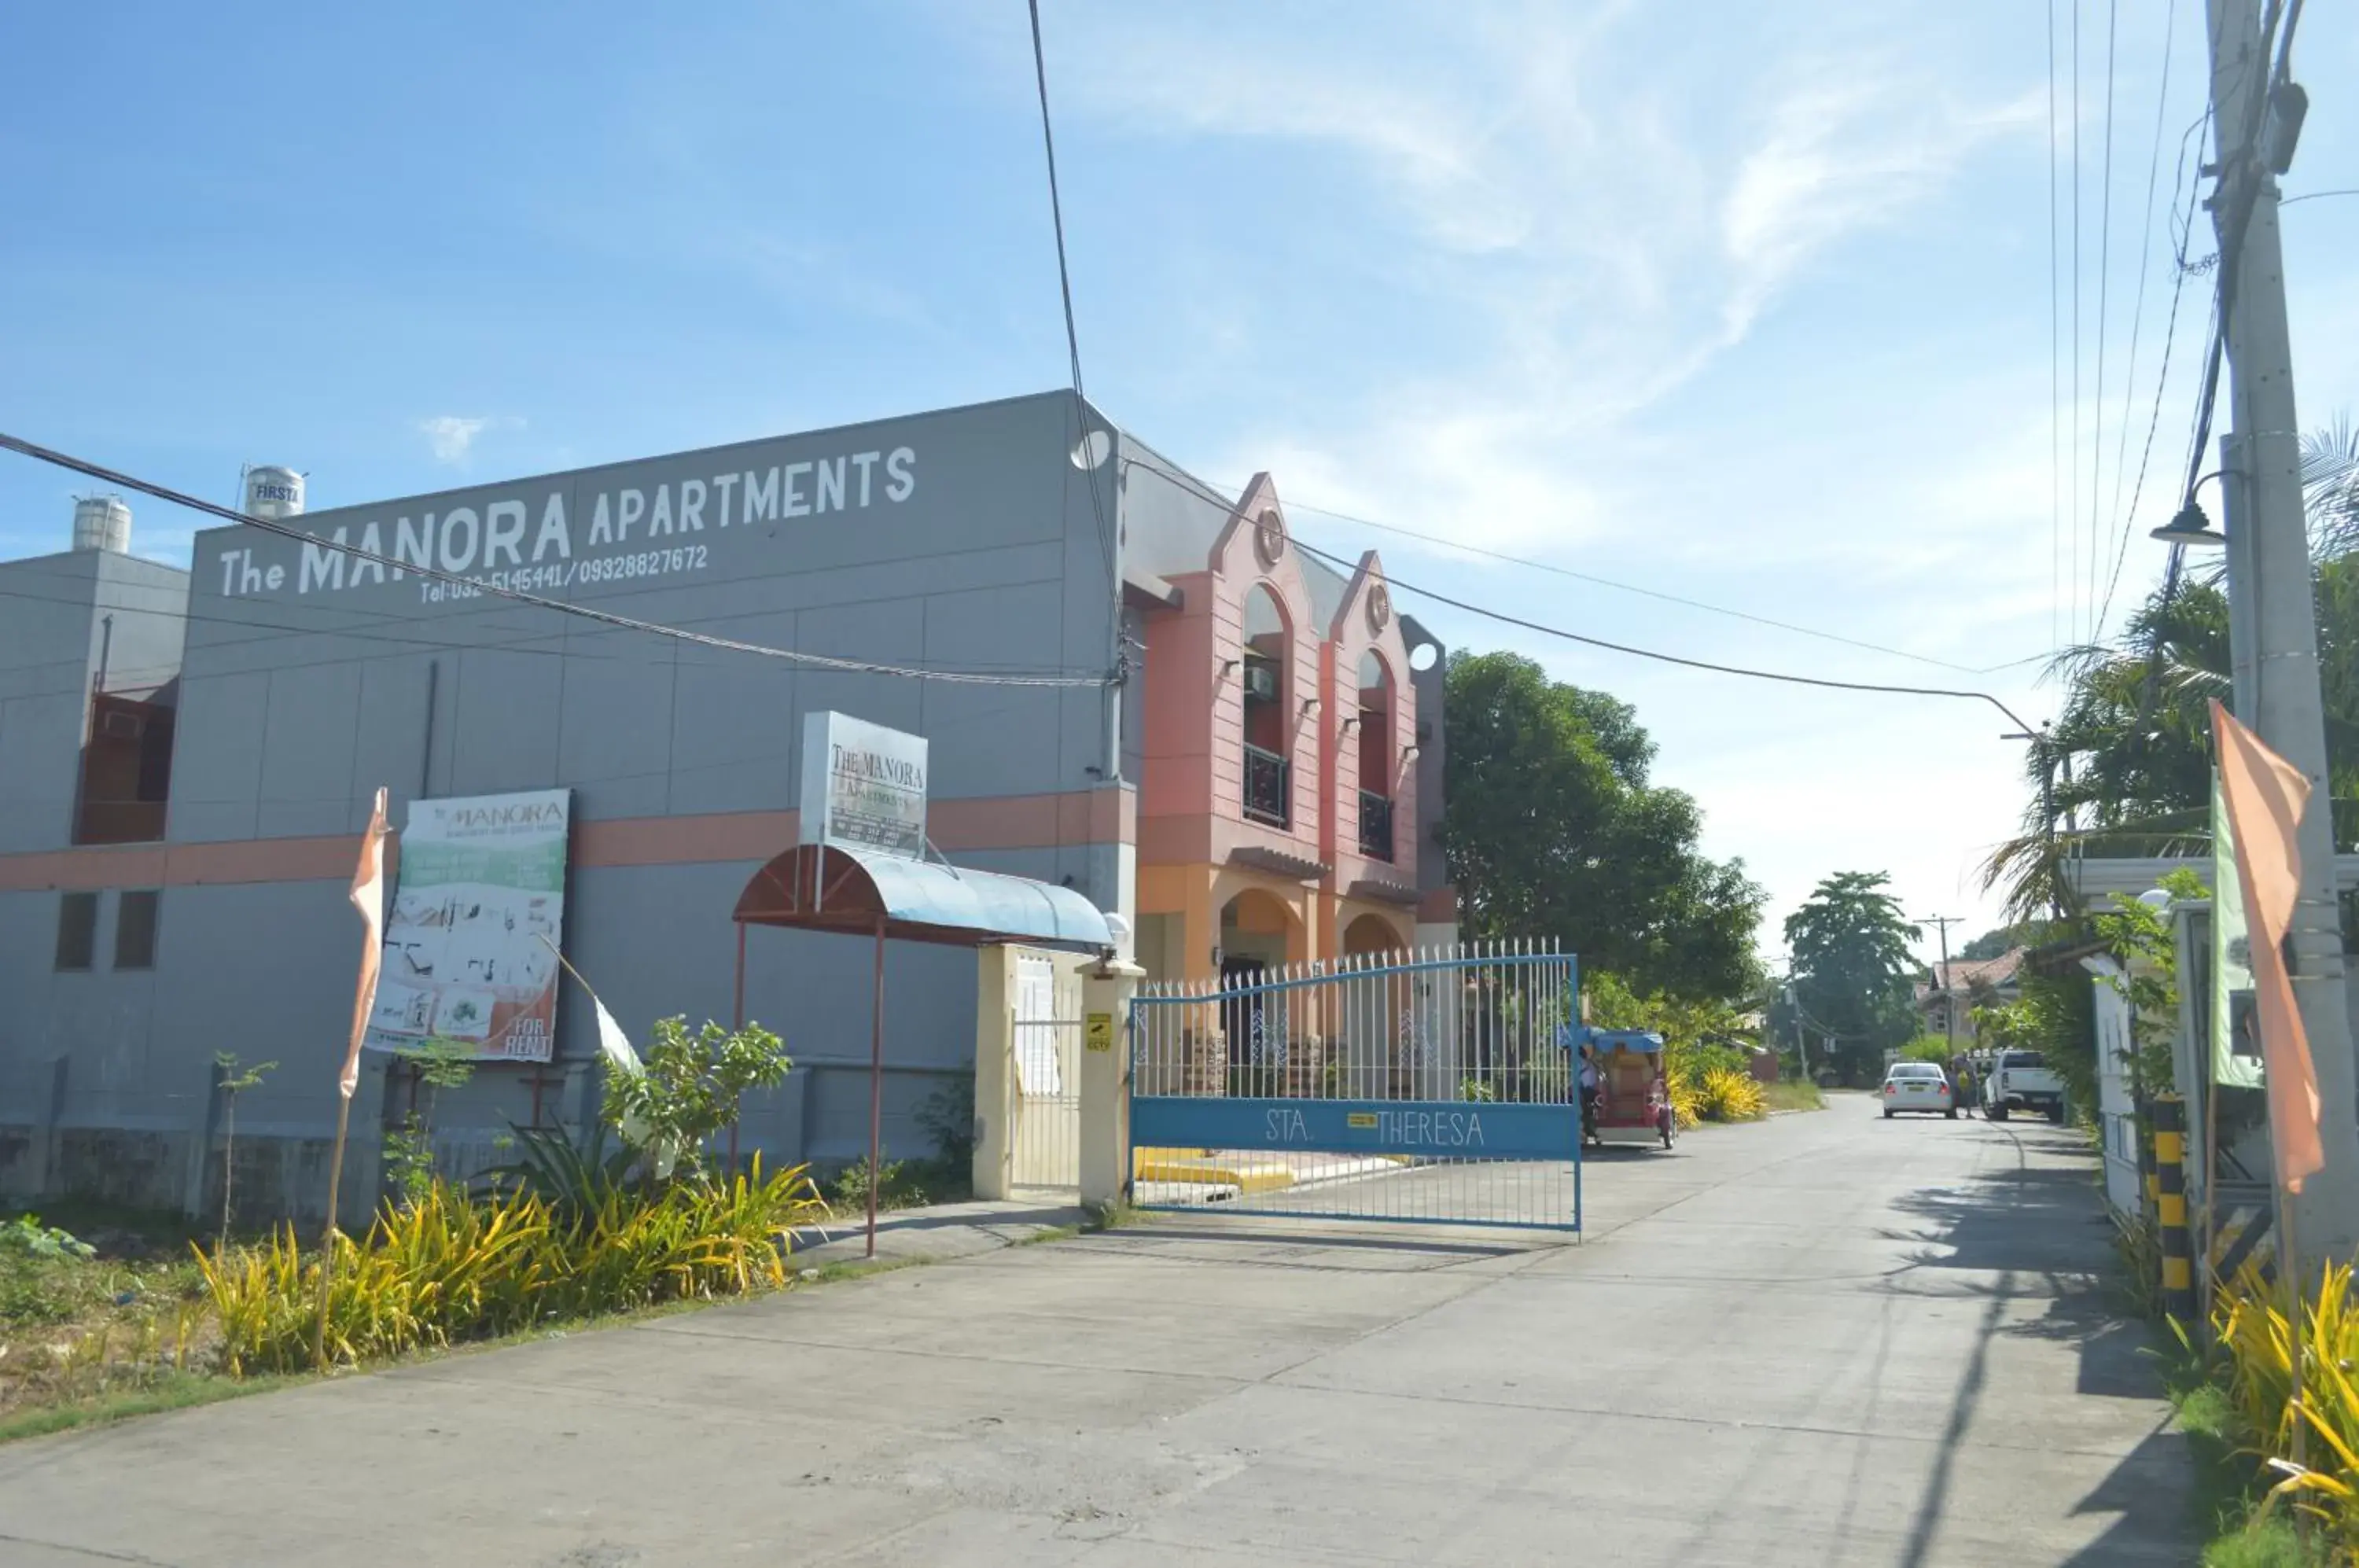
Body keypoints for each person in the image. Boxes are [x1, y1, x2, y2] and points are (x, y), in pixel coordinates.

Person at [1578, 1043, 1603, 1145]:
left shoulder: (1579, 1063)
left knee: (1580, 1110)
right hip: (1593, 1091)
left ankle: (1583, 1134)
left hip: (1587, 1091)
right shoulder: (1590, 1064)